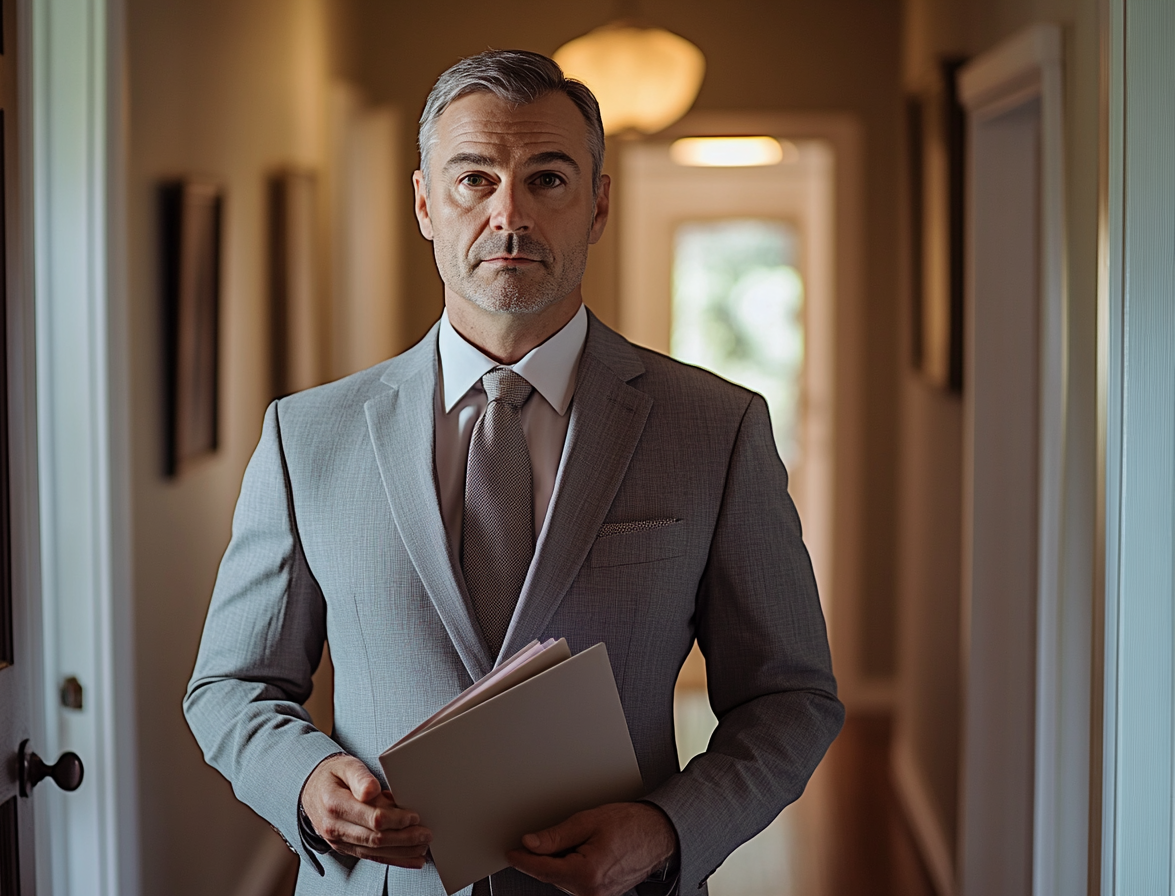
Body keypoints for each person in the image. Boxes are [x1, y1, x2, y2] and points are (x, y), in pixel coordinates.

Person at [184, 49, 843, 896]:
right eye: (473, 180)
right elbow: (232, 685)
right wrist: (305, 783)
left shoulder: (717, 429)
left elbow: (793, 700)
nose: (509, 215)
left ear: (598, 204)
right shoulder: (305, 436)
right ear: (425, 203)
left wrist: (667, 830)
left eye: (548, 178)